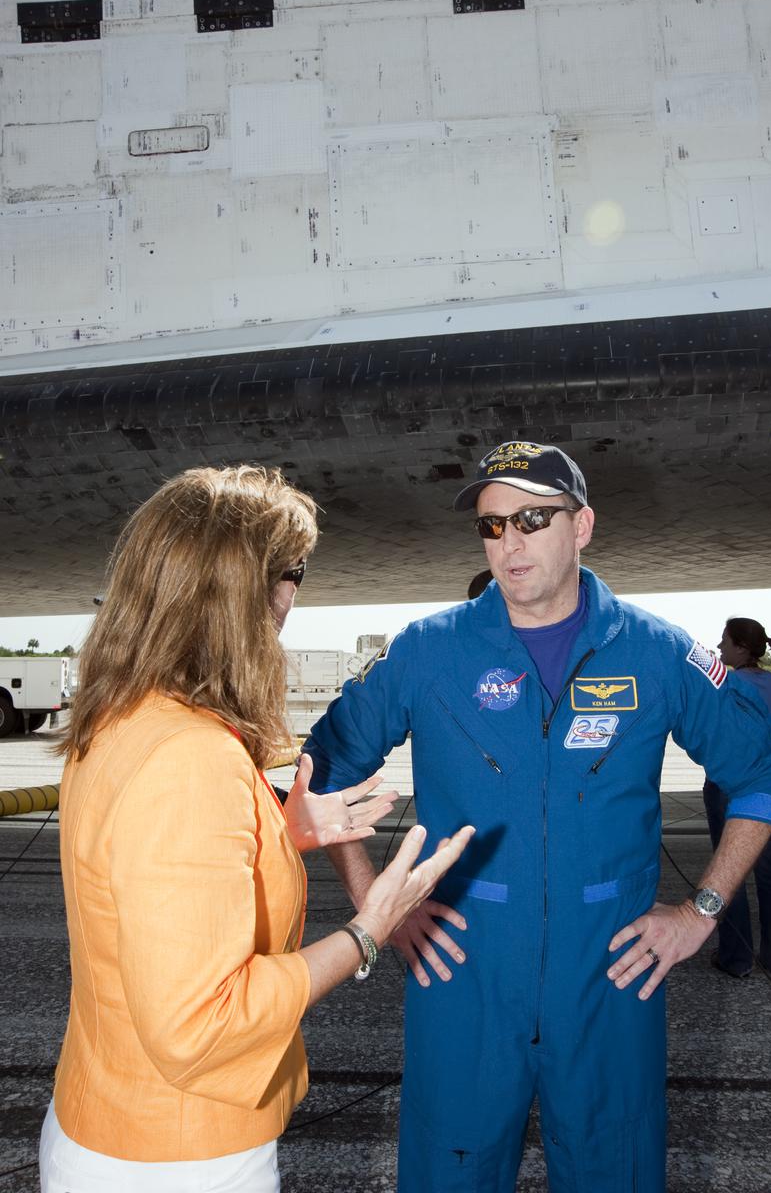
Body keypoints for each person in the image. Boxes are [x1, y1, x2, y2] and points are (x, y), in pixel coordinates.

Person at [305, 440, 771, 1193]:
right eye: (491, 526)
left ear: (583, 525)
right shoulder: (428, 651)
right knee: (448, 1174)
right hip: (462, 969)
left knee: (615, 1171)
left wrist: (701, 911)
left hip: (610, 974)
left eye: (532, 519)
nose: (509, 543)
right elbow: (324, 774)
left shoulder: (656, 652)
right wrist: (377, 908)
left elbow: (761, 772)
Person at [40, 465, 473, 1193]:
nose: (295, 596)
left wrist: (278, 829)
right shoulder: (190, 755)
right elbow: (199, 1027)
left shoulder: (124, 718)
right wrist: (371, 926)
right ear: (247, 588)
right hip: (179, 1155)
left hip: (113, 1121)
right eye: (294, 571)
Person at [702, 618, 771, 979]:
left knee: (729, 871)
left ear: (741, 647)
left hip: (728, 784)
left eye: (725, 641)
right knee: (770, 872)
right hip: (767, 784)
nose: (720, 647)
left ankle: (736, 956)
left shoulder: (728, 685)